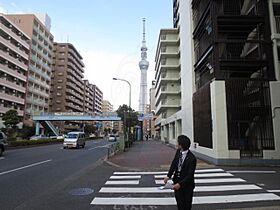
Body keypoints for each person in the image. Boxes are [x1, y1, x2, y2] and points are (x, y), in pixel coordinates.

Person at [164, 135, 197, 210]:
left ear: (181, 145)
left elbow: (190, 175)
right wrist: (168, 176)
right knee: (180, 204)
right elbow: (174, 163)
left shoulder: (192, 158)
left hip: (187, 185)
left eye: (177, 142)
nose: (176, 144)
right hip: (177, 181)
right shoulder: (178, 152)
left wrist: (180, 184)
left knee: (187, 205)